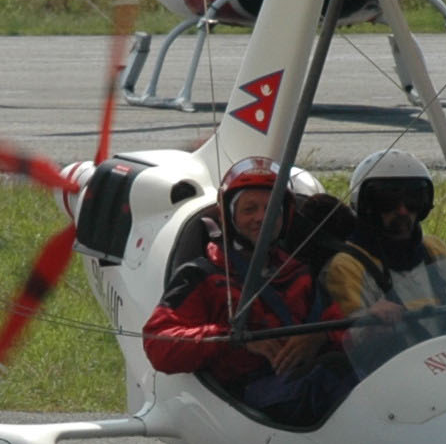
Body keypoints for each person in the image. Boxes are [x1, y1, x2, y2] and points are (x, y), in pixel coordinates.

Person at [141, 157, 357, 426]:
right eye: (249, 210)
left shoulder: (299, 273)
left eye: (270, 209)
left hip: (305, 385)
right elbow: (158, 343)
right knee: (332, 377)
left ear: (284, 216)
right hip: (246, 400)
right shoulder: (202, 276)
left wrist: (319, 337)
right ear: (230, 218)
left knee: (351, 371)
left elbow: (347, 325)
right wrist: (233, 338)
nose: (261, 219)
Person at [321, 149, 446, 366]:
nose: (403, 211)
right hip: (395, 372)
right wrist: (371, 321)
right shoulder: (347, 265)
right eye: (388, 201)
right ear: (366, 206)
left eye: (413, 199)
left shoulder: (434, 249)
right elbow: (350, 339)